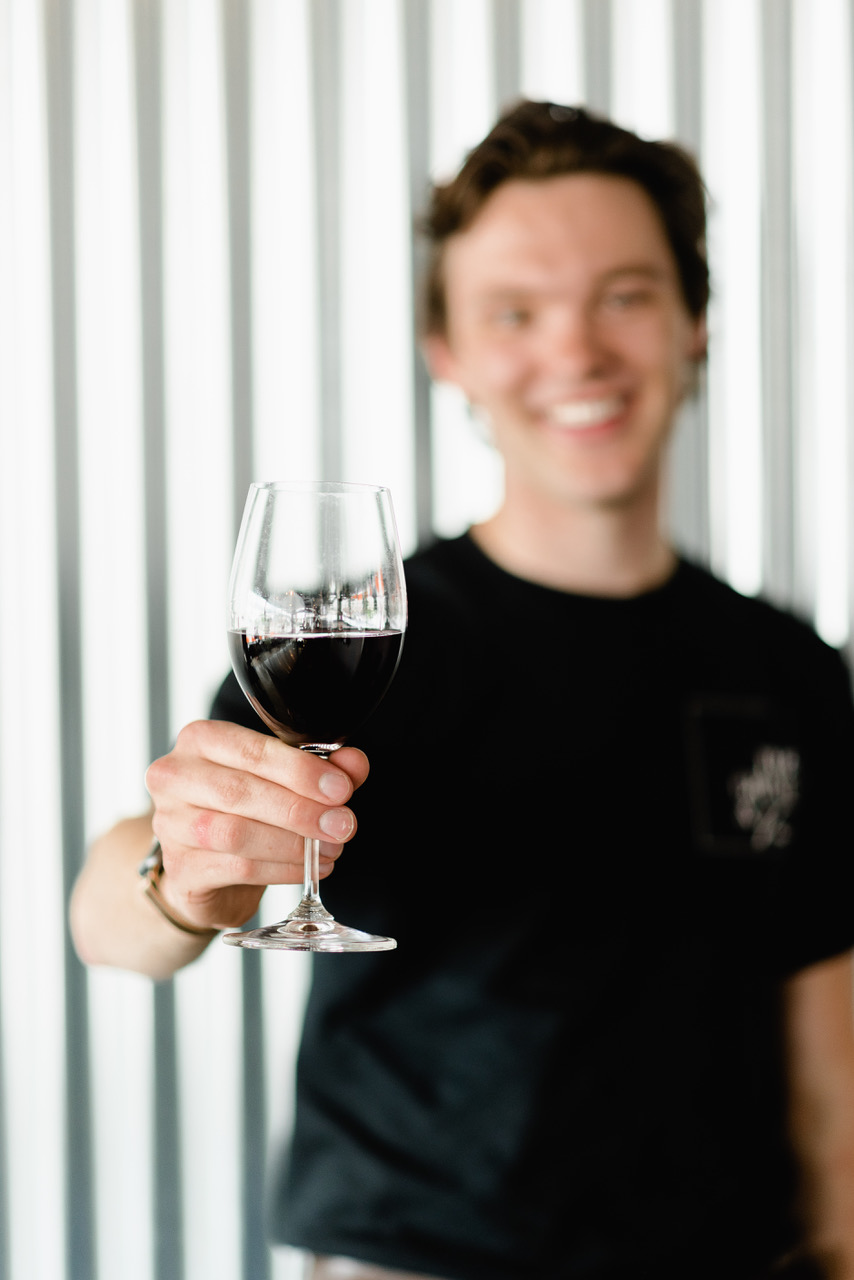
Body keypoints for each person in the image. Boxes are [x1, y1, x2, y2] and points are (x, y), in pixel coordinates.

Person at [70, 101, 854, 1280]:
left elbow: (826, 1034)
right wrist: (181, 877)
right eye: (514, 311)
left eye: (626, 295)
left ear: (694, 322)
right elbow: (110, 922)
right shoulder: (355, 641)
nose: (577, 351)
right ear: (448, 351)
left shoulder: (786, 667)